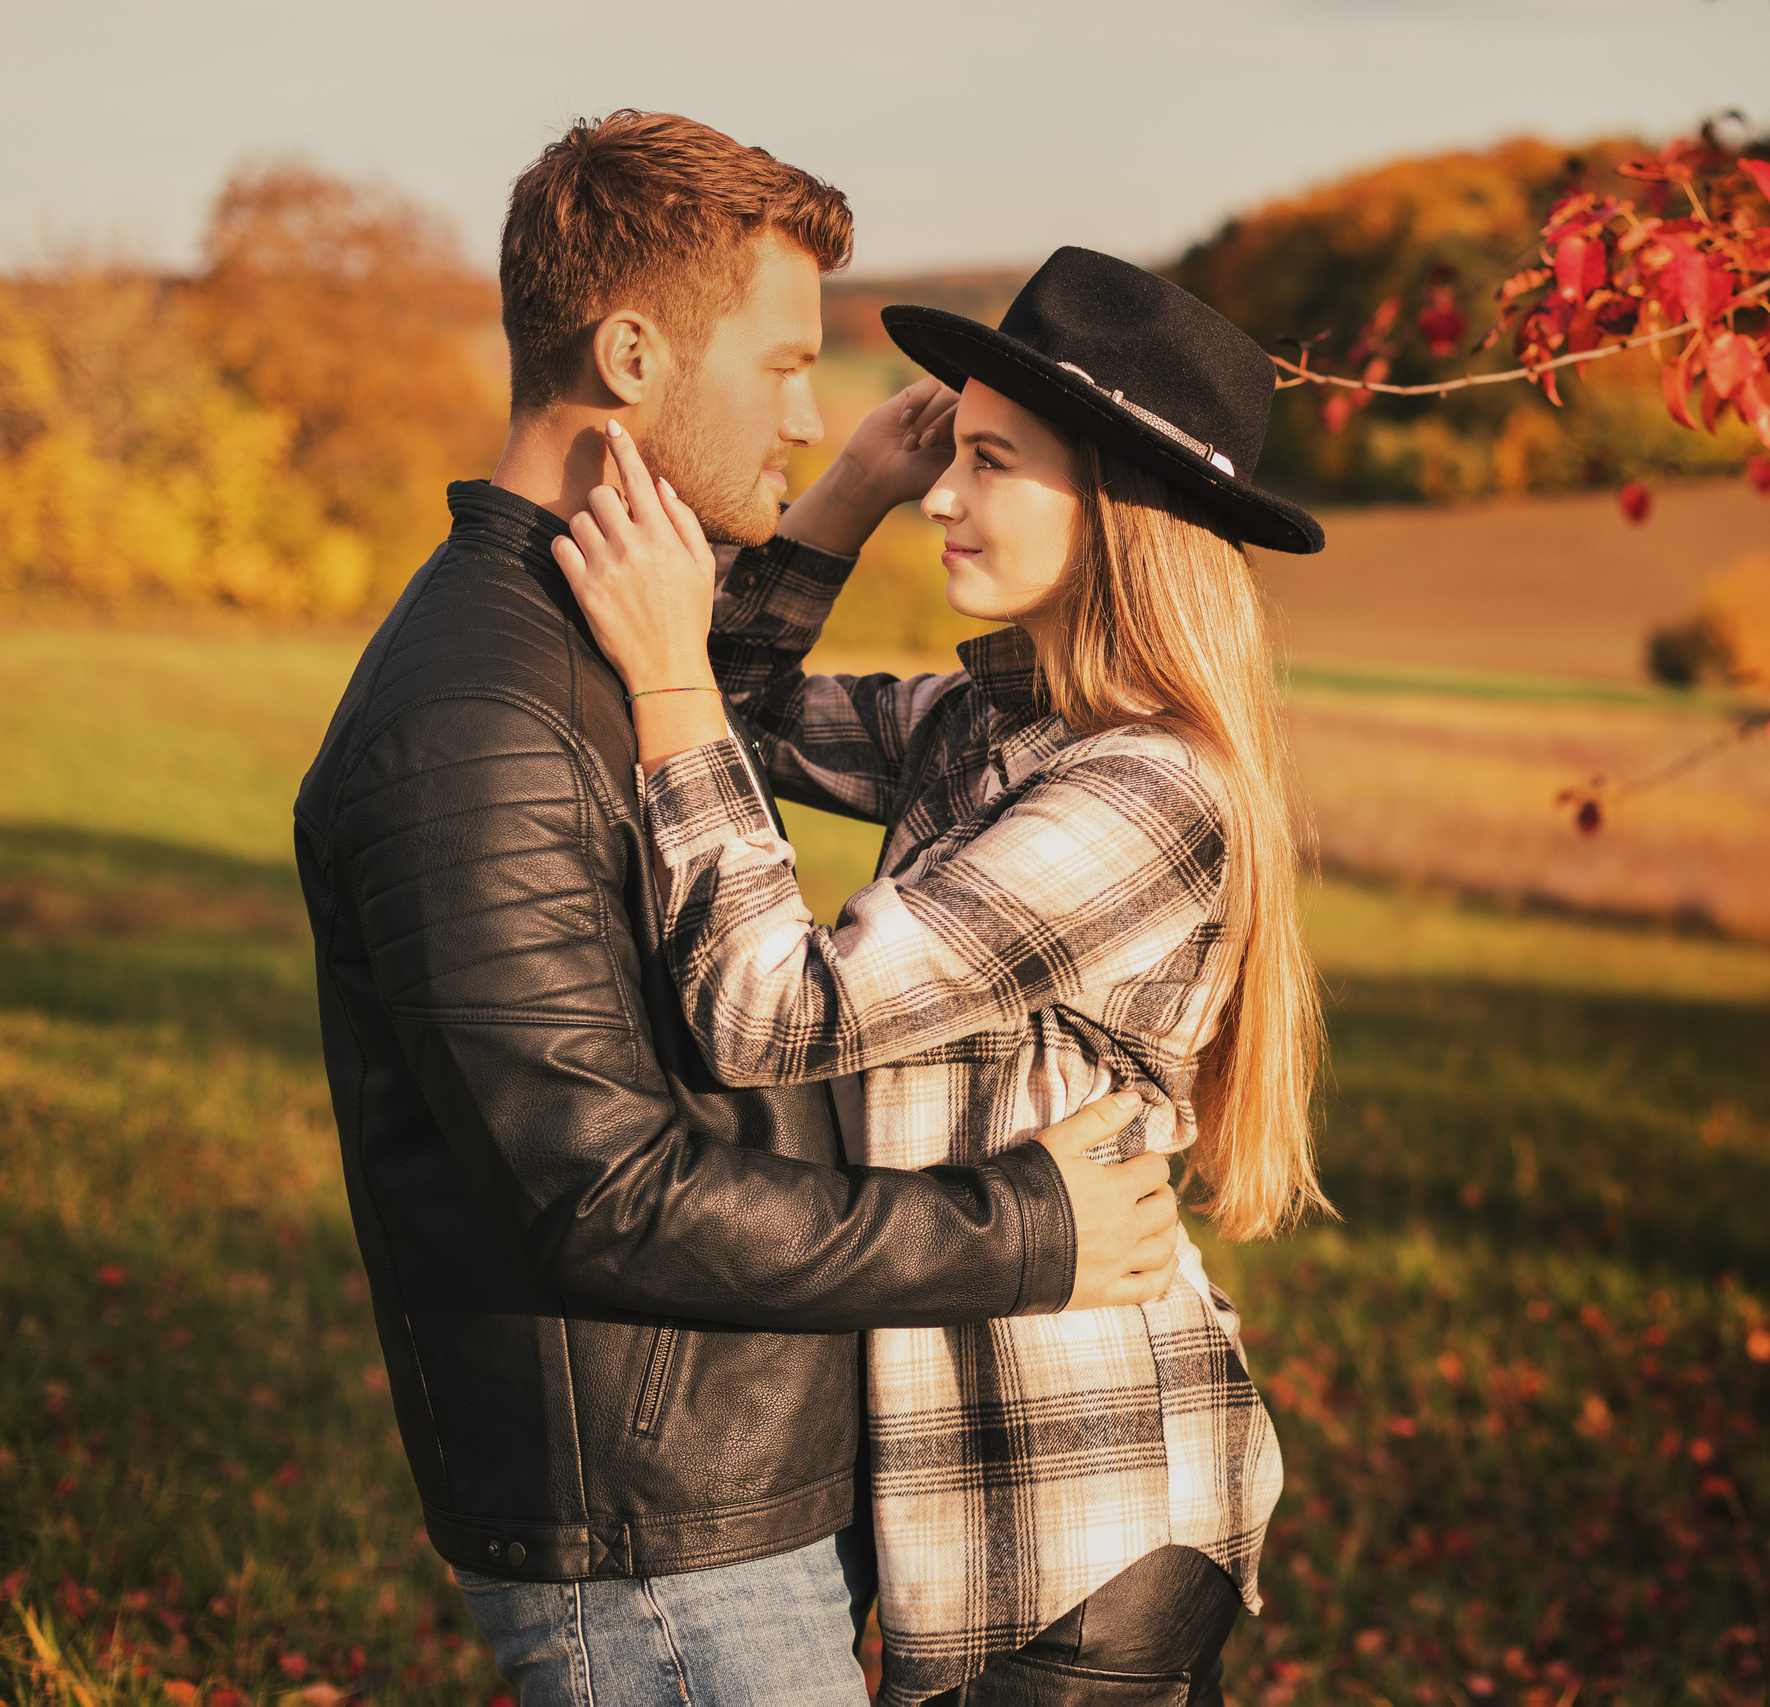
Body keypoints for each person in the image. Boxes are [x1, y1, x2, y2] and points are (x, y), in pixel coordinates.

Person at [293, 115, 1182, 1706]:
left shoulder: (604, 649)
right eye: (783, 366)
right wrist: (1025, 1228)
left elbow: (730, 719)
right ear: (632, 353)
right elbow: (598, 1196)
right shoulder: (481, 714)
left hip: (747, 1483)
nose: (814, 410)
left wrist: (804, 529)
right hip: (657, 1530)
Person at [552, 247, 1330, 1705]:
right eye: (948, 457)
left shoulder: (1149, 796)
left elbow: (772, 1011)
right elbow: (734, 713)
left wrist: (664, 679)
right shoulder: (983, 727)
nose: (946, 498)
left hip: (1080, 1521)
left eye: (993, 463)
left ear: (1119, 509)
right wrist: (846, 492)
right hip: (980, 1515)